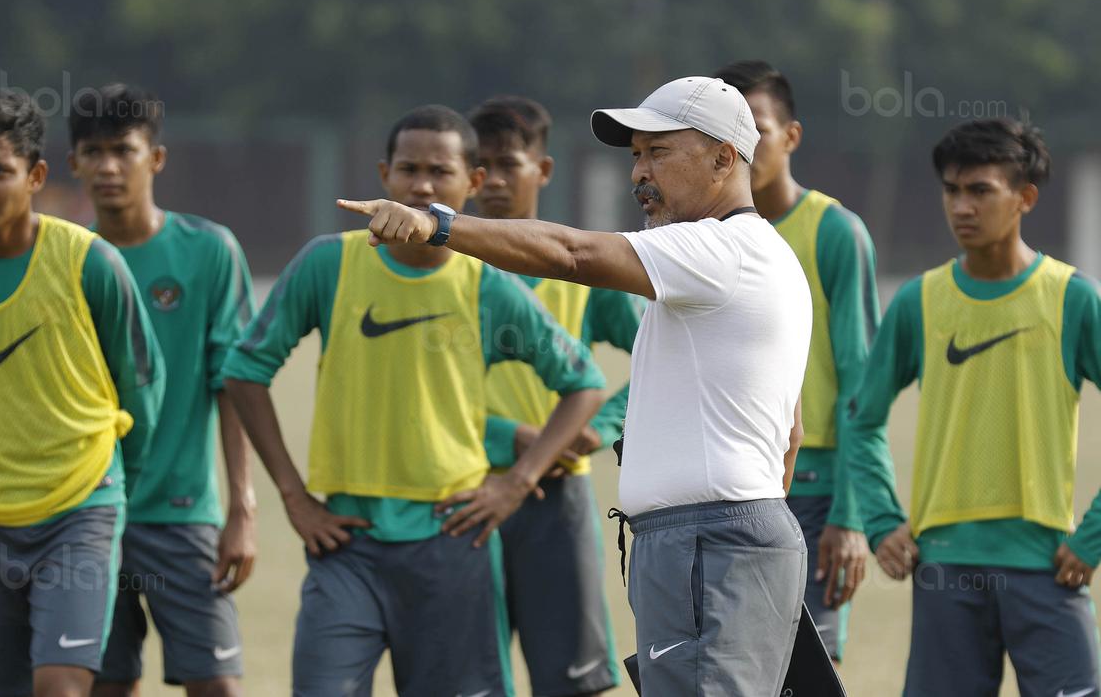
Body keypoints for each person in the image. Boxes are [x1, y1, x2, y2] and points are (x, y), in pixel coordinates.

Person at [341, 76, 811, 694]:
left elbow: (571, 253)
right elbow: (791, 432)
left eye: (659, 152)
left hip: (709, 540)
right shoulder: (755, 255)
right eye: (636, 155)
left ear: (725, 157)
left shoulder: (720, 250)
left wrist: (440, 225)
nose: (639, 173)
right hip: (714, 539)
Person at [222, 104, 606, 696]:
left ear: (472, 183)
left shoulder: (487, 284)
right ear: (384, 175)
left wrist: (515, 483)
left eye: (440, 171)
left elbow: (581, 383)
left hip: (451, 540)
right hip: (346, 542)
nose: (421, 184)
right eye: (408, 169)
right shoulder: (330, 262)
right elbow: (245, 371)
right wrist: (294, 497)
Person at [0, 88, 165, 697]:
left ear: (36, 175)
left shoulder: (89, 262)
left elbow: (141, 382)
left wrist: (123, 479)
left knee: (61, 686)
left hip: (80, 505)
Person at [843, 118, 1101, 695]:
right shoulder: (920, 301)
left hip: (1048, 566)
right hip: (944, 571)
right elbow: (862, 419)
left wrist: (1094, 538)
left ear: (1024, 198)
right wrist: (882, 520)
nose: (961, 206)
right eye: (951, 190)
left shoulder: (1072, 299)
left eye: (980, 190)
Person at [67, 83, 257, 697]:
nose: (108, 166)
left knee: (217, 685)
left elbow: (232, 382)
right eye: (92, 152)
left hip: (182, 515)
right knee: (105, 687)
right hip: (86, 513)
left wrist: (242, 509)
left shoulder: (209, 251)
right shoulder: (65, 259)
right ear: (73, 164)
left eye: (123, 149)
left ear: (157, 158)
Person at [469, 95, 643, 696]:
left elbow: (658, 356)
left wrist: (602, 427)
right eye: (479, 165)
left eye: (507, 164)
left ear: (541, 171)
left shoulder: (583, 268)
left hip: (556, 499)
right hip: (462, 488)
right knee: (471, 680)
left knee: (572, 681)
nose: (491, 180)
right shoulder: (444, 268)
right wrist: (502, 435)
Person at [715, 60, 879, 663]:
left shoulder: (836, 232)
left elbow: (864, 379)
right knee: (729, 665)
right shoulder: (700, 237)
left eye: (756, 127)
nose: (743, 145)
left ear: (792, 136)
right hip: (726, 486)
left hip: (815, 494)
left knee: (806, 670)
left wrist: (852, 515)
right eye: (725, 130)